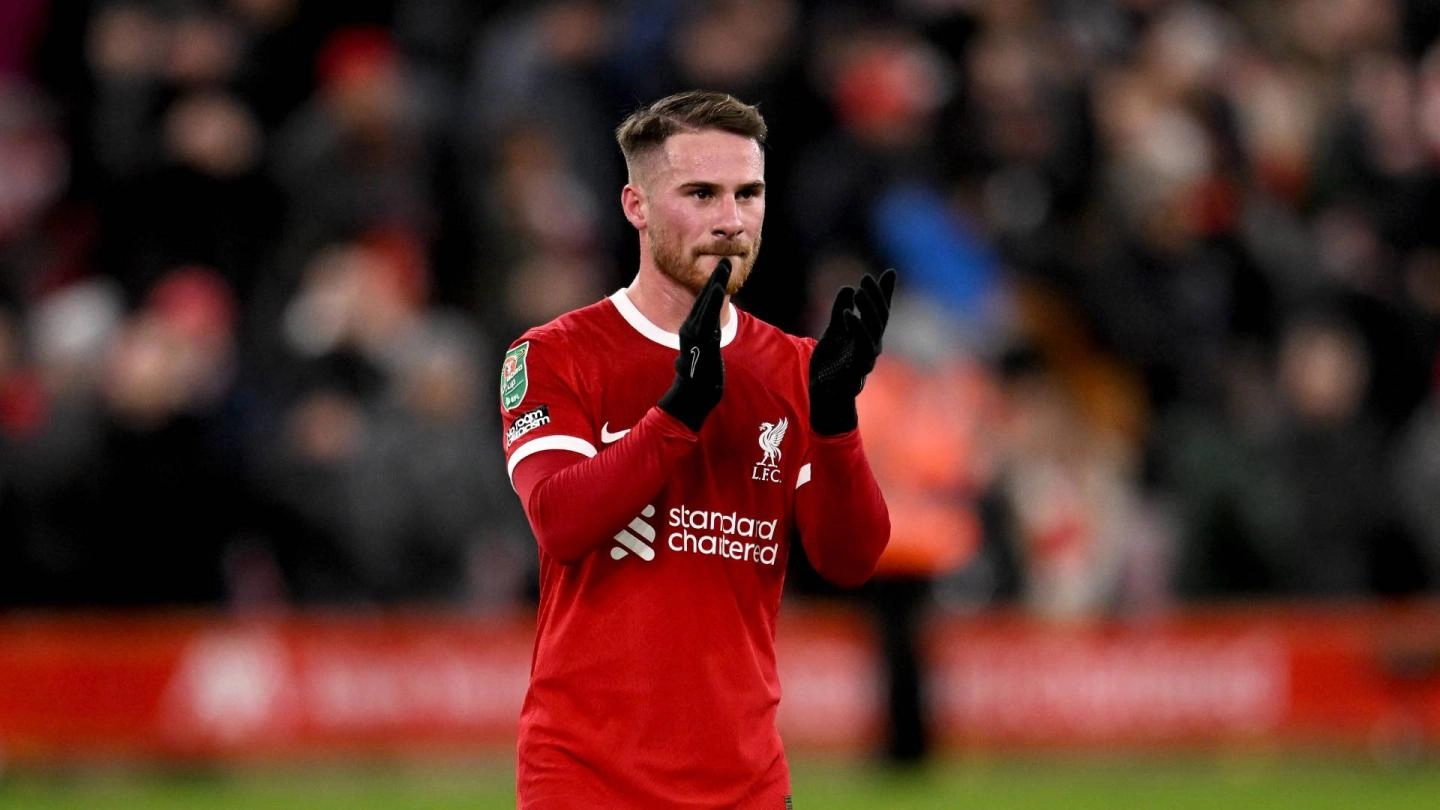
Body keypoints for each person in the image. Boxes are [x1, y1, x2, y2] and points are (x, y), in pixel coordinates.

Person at [499, 90, 895, 809]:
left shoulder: (794, 368)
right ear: (637, 206)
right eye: (702, 194)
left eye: (749, 194)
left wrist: (836, 425)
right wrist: (677, 413)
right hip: (588, 781)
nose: (731, 220)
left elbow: (850, 559)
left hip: (747, 783)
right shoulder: (558, 354)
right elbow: (560, 521)